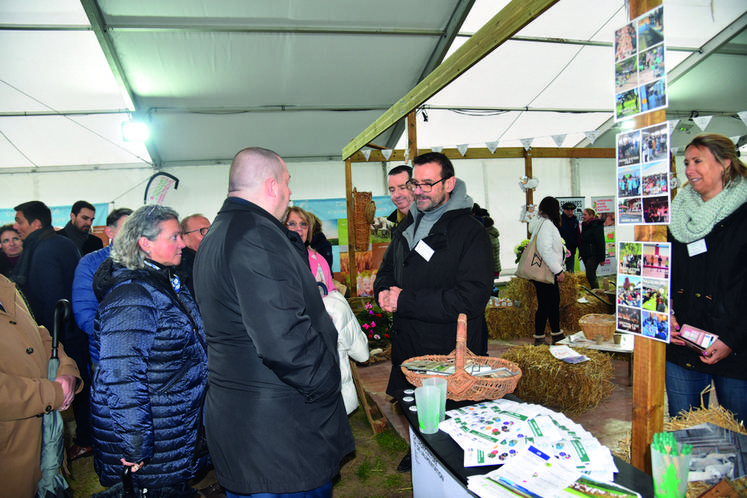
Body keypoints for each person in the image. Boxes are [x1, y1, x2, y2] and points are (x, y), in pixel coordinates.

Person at [193, 147, 354, 497]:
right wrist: (328, 382)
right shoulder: (256, 236)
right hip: (280, 431)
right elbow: (284, 340)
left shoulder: (220, 232)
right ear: (270, 185)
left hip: (251, 424)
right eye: (286, 182)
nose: (290, 192)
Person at [374, 152, 492, 471]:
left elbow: (470, 299)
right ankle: (422, 452)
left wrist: (406, 300)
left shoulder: (470, 232)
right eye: (417, 182)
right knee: (415, 406)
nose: (420, 190)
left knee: (450, 416)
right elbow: (387, 271)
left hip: (447, 347)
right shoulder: (408, 225)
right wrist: (384, 292)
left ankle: (448, 463)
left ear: (449, 183)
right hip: (410, 340)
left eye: (429, 183)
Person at [90, 205, 208, 496]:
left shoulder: (164, 282)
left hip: (169, 419)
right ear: (145, 243)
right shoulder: (133, 296)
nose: (182, 243)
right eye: (174, 237)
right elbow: (122, 376)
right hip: (152, 430)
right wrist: (135, 445)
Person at [667, 134, 747, 421]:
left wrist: (732, 340)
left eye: (698, 161)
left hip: (736, 350)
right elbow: (666, 273)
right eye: (686, 162)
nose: (689, 170)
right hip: (683, 346)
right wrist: (667, 312)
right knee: (683, 432)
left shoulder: (743, 215)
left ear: (725, 163)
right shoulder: (678, 216)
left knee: (738, 440)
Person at [12, 200, 94, 462]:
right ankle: (86, 438)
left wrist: (47, 344)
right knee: (80, 384)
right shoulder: (58, 242)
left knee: (75, 387)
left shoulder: (46, 248)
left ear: (36, 223)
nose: (17, 227)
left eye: (20, 221)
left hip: (61, 335)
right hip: (71, 330)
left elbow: (52, 299)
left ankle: (85, 440)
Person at [0, 273, 83, 498]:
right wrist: (52, 393)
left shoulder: (4, 285)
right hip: (11, 458)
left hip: (43, 449)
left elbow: (39, 334)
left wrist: (65, 370)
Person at [71, 207, 132, 367]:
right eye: (126, 229)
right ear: (109, 232)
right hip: (107, 357)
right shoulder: (91, 263)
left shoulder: (148, 262)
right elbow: (85, 315)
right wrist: (123, 335)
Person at [528, 196, 566, 346]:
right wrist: (558, 270)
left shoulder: (541, 223)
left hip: (545, 270)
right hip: (546, 270)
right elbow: (546, 250)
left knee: (553, 302)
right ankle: (539, 337)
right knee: (545, 304)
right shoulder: (547, 225)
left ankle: (556, 333)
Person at [284, 206, 337, 295]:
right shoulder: (274, 258)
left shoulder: (319, 259)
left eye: (303, 224)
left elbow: (330, 291)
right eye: (292, 224)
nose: (299, 228)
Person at [178, 213, 211, 296]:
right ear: (184, 237)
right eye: (203, 231)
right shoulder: (183, 266)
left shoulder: (211, 260)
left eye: (211, 230)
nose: (210, 235)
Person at [578, 207, 606, 289]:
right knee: (591, 274)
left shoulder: (597, 225)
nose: (583, 216)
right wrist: (581, 253)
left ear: (591, 215)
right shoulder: (585, 225)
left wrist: (602, 259)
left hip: (594, 254)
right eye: (583, 214)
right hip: (586, 253)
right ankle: (595, 292)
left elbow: (601, 242)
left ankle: (596, 292)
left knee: (590, 274)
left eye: (585, 215)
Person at [559, 202, 580, 273]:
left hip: (571, 249)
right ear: (564, 210)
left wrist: (579, 247)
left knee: (570, 270)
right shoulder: (559, 220)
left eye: (572, 210)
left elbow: (578, 235)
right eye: (568, 210)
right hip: (560, 249)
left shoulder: (575, 221)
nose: (570, 212)